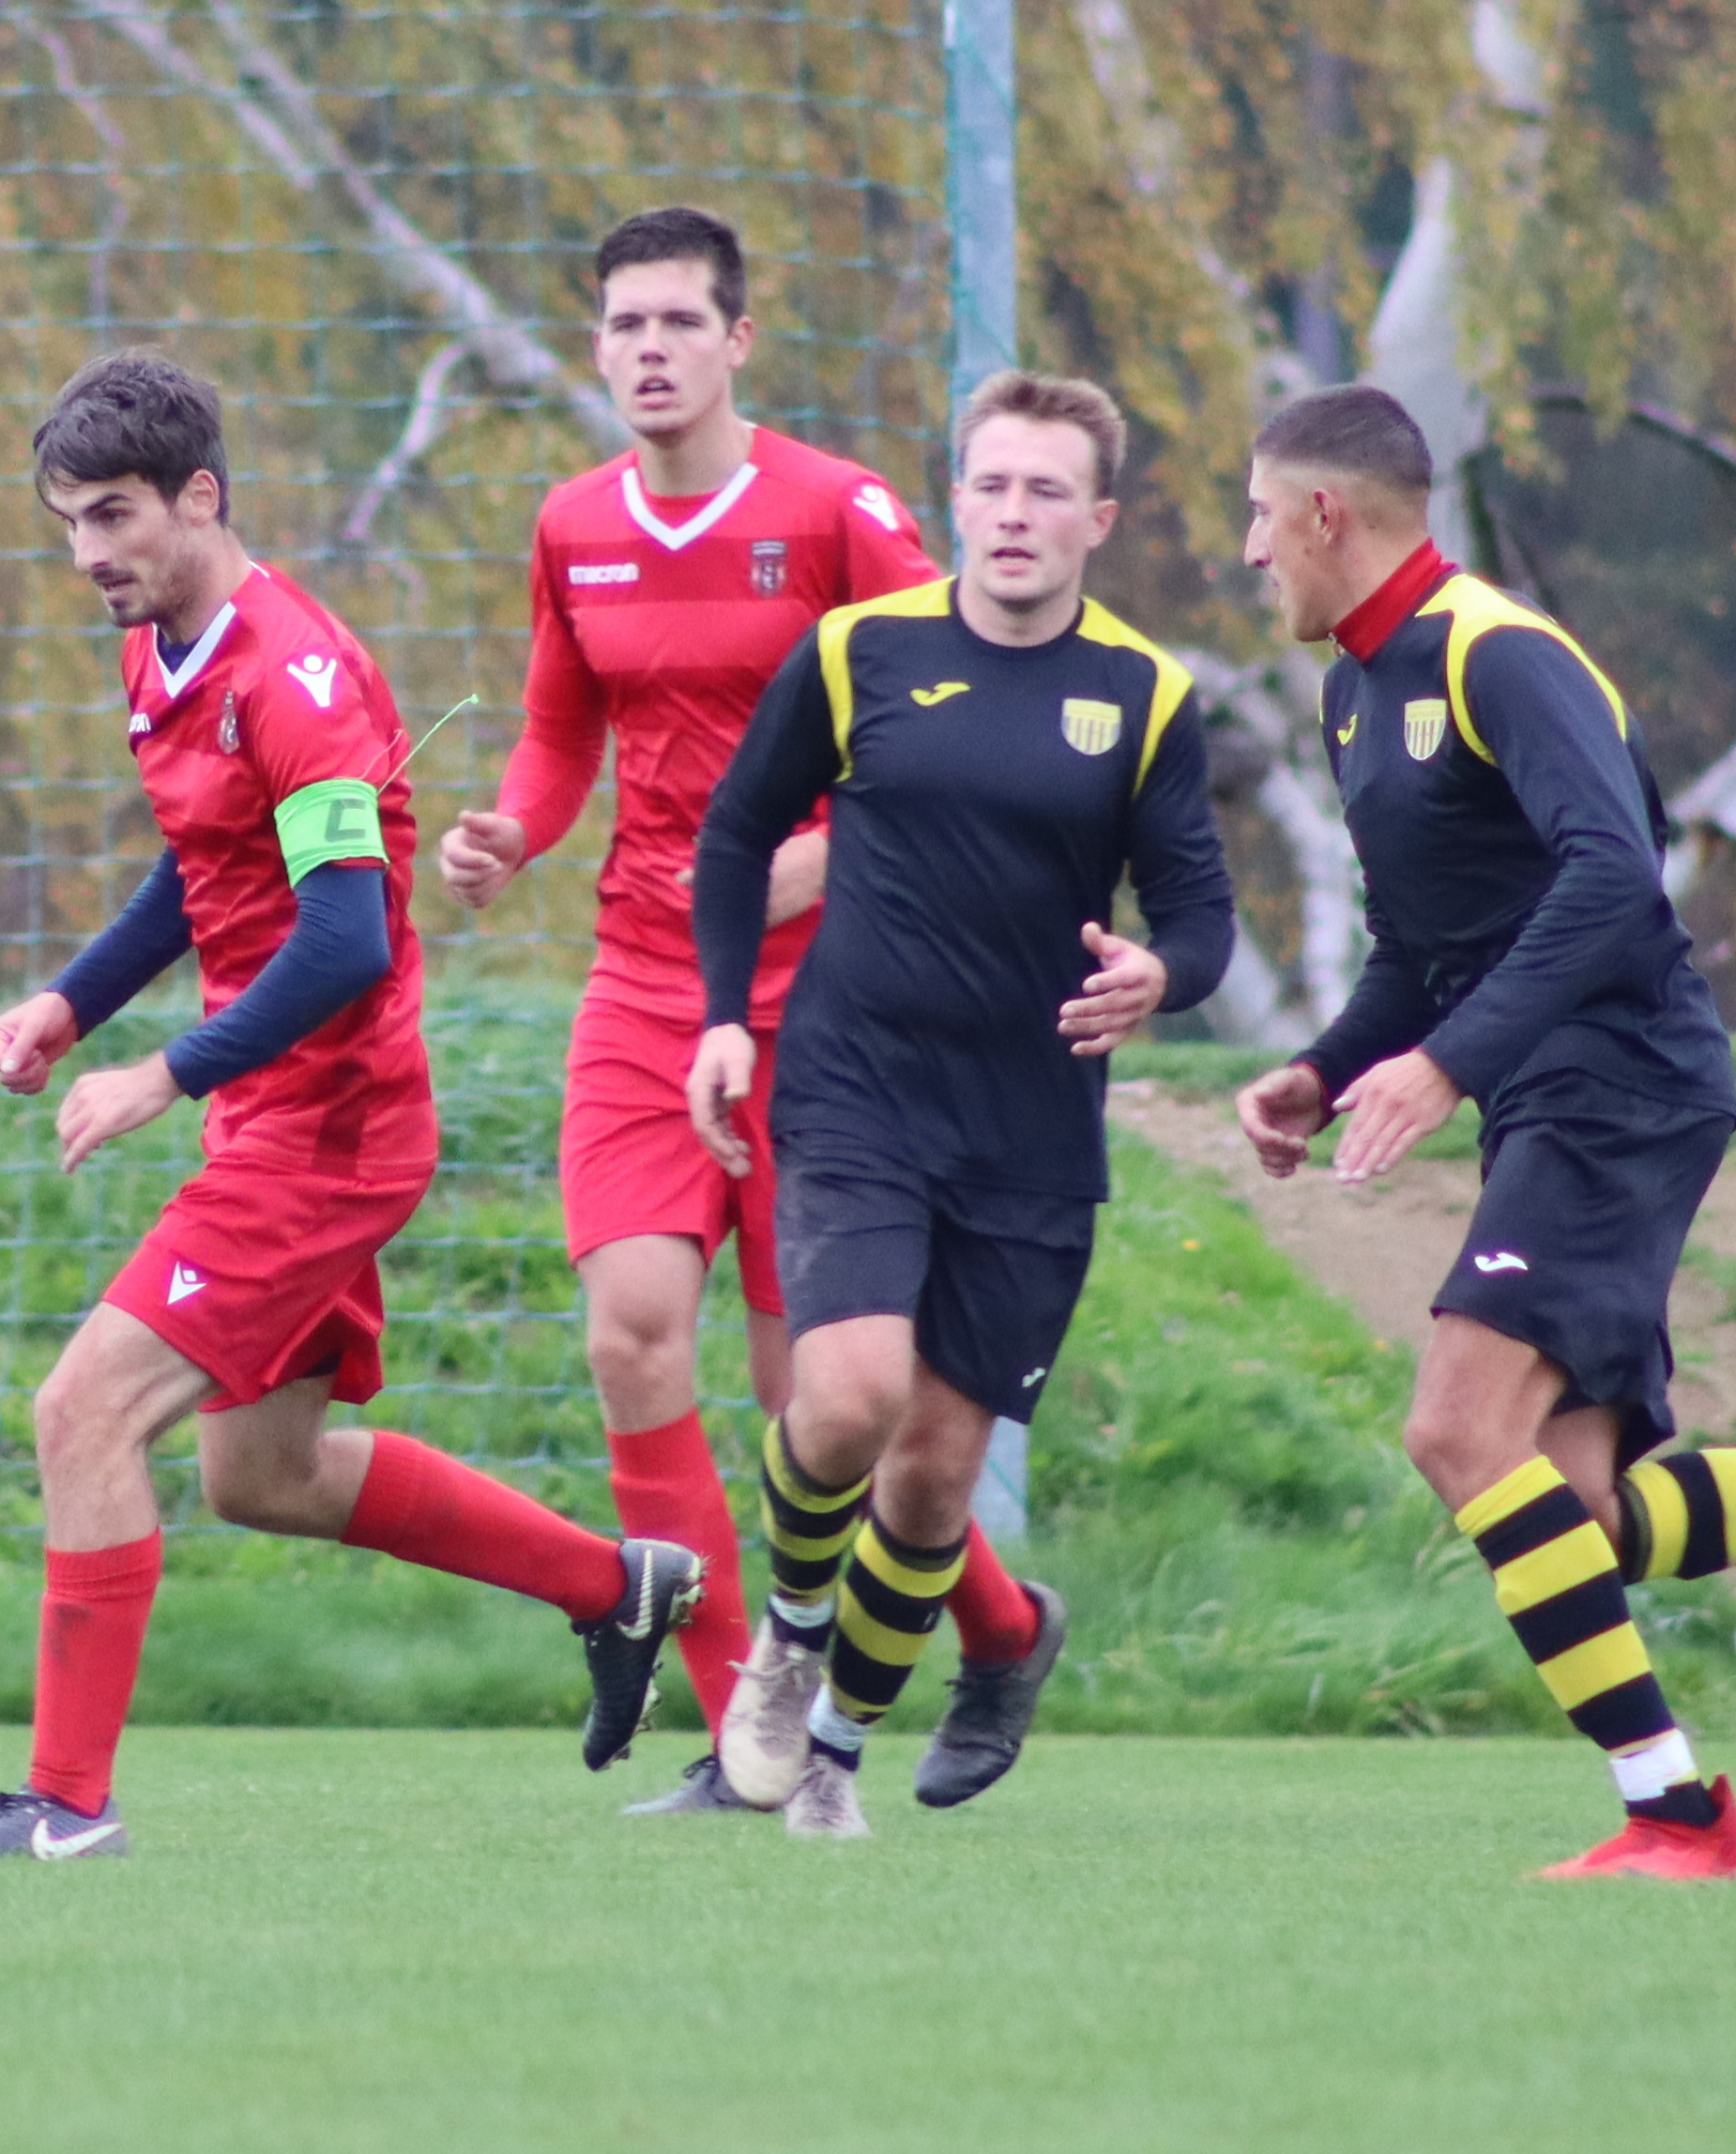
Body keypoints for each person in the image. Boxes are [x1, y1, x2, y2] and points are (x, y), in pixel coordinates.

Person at [1229, 385, 1736, 1881]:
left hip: (1619, 1081)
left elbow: (1616, 875)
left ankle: (1676, 1815)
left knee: (1455, 1432)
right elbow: (1424, 943)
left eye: (1256, 516)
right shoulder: (1354, 689)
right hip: (1560, 1093)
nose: (1247, 551)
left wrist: (1446, 1067)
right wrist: (1325, 1066)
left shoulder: (1498, 653)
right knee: (1578, 1515)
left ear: (1323, 514)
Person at [0, 351, 703, 1858]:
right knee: (261, 1475)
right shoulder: (160, 650)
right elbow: (203, 863)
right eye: (70, 522)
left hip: (328, 1134)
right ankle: (616, 1589)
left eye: (114, 515)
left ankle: (65, 1807)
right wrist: (73, 1004)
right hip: (276, 1119)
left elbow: (347, 940)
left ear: (200, 497)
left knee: (82, 1412)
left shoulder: (298, 680)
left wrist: (160, 1073)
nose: (88, 554)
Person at [439, 208, 1061, 1815]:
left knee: (822, 1409)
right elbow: (557, 733)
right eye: (623, 324)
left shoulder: (836, 513)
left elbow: (953, 716)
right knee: (632, 1330)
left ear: (737, 342)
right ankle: (744, 1735)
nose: (649, 350)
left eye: (678, 322)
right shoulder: (573, 524)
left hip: (842, 1009)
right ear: (597, 348)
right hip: (648, 986)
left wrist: (828, 856)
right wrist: (513, 830)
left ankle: (1003, 1629)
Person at [687, 371, 1235, 1839]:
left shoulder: (1144, 694)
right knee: (847, 1396)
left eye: (1047, 490)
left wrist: (1161, 974)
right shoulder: (859, 651)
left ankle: (835, 1760)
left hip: (1030, 1131)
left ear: (1097, 520)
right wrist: (726, 1018)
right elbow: (736, 835)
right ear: (957, 502)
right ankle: (788, 1644)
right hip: (858, 1089)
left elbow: (1199, 913)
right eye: (991, 484)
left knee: (934, 1477)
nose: (1014, 513)